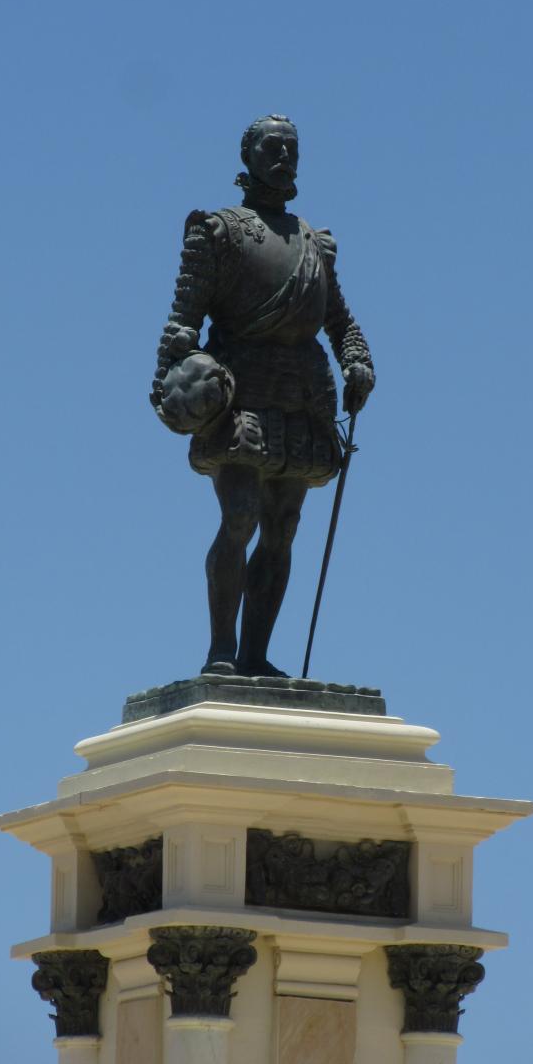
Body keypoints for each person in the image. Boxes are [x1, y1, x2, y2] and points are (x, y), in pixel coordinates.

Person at [150, 115, 375, 677]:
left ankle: (256, 655)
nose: (284, 157)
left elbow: (340, 320)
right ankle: (221, 650)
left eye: (292, 149)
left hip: (303, 395)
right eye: (272, 147)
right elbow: (181, 326)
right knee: (241, 517)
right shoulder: (218, 233)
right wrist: (173, 388)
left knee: (282, 528)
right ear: (247, 154)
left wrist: (357, 359)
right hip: (241, 391)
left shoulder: (313, 244)